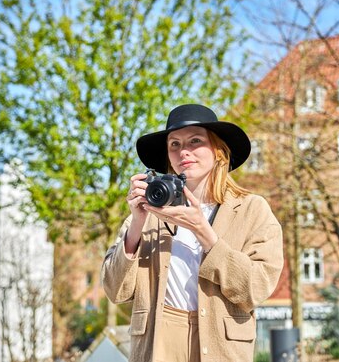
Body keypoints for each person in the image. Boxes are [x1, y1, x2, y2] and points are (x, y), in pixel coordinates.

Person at [101, 104, 284, 362]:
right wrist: (137, 224)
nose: (183, 151)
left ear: (218, 151)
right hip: (158, 342)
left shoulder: (252, 209)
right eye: (174, 144)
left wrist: (204, 233)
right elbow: (114, 290)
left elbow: (256, 288)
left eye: (195, 141)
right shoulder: (149, 213)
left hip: (221, 345)